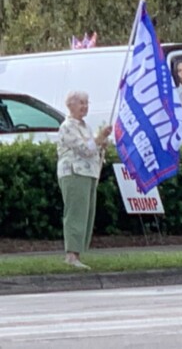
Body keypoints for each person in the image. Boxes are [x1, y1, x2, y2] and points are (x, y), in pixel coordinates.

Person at [56, 91, 112, 269]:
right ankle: (71, 256)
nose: (85, 106)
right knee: (76, 213)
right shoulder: (67, 126)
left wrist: (101, 141)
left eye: (87, 103)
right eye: (81, 103)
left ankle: (77, 253)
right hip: (74, 173)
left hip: (88, 173)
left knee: (87, 214)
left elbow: (93, 148)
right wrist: (98, 139)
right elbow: (84, 149)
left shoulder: (85, 127)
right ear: (70, 105)